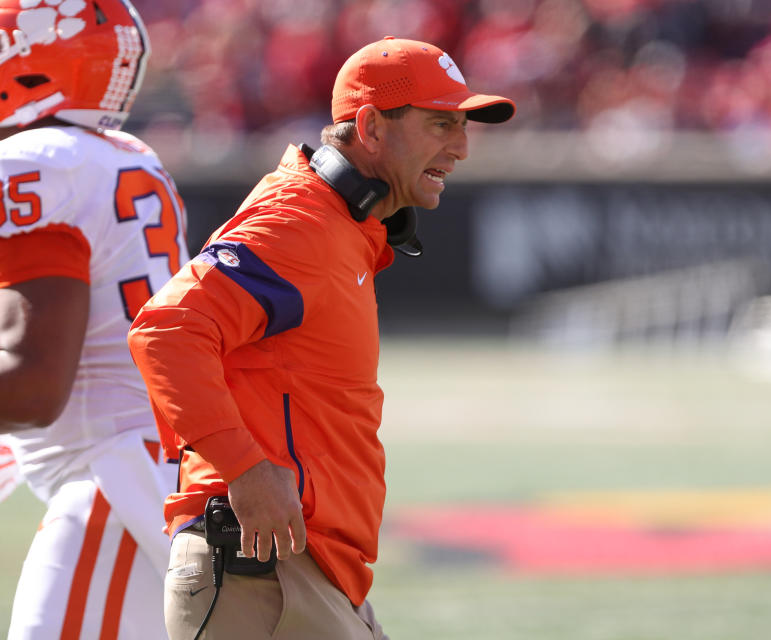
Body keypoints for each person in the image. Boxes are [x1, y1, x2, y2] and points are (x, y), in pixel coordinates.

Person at [127, 36, 515, 639]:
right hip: (262, 575)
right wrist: (245, 468)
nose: (461, 147)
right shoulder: (300, 223)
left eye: (462, 126)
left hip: (306, 575)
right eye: (441, 124)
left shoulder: (339, 226)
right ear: (370, 126)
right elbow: (166, 331)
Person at [0, 1, 187, 638]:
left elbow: (32, 387)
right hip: (151, 468)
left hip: (118, 479)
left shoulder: (36, 163)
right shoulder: (119, 155)